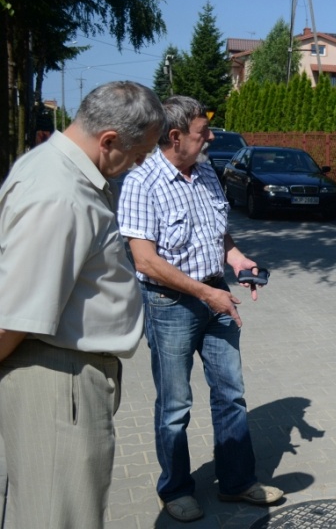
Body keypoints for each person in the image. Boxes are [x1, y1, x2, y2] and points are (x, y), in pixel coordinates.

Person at [0, 81, 166, 528]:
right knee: (59, 518)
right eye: (139, 153)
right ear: (108, 140)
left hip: (61, 376)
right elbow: (11, 317)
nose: (140, 164)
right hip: (57, 382)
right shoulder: (61, 195)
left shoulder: (60, 171)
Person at [118, 96, 283, 523]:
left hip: (217, 295)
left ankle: (236, 482)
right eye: (202, 131)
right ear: (175, 137)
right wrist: (205, 294)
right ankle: (175, 489)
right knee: (175, 405)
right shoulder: (141, 181)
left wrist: (238, 260)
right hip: (170, 304)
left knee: (231, 393)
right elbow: (145, 261)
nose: (210, 137)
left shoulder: (206, 171)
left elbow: (218, 232)